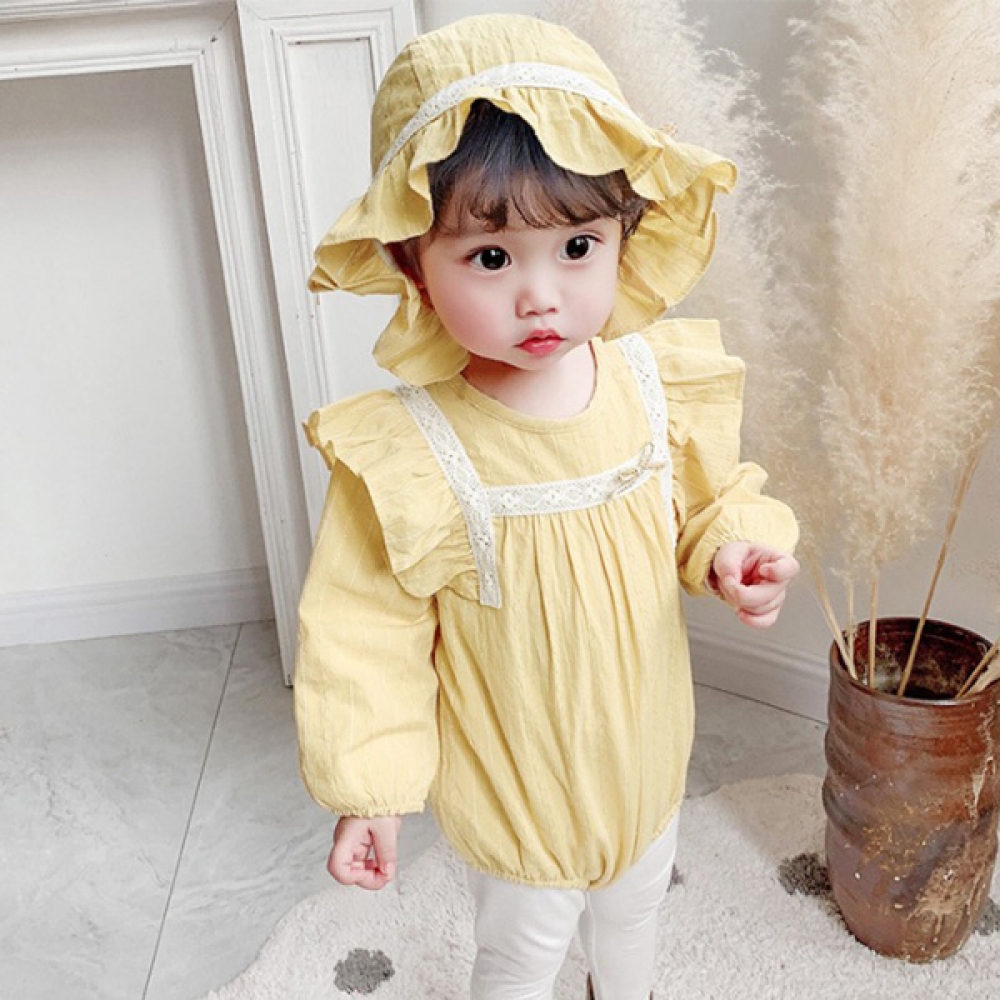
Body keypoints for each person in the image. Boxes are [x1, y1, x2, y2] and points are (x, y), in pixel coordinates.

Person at [294, 13, 799, 1000]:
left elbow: (709, 500)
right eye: (491, 258)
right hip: (517, 790)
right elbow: (362, 637)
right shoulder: (410, 451)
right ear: (411, 261)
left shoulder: (653, 384)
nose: (540, 295)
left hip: (643, 759)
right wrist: (371, 791)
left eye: (576, 245)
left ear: (623, 234)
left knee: (634, 916)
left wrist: (735, 551)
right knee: (523, 954)